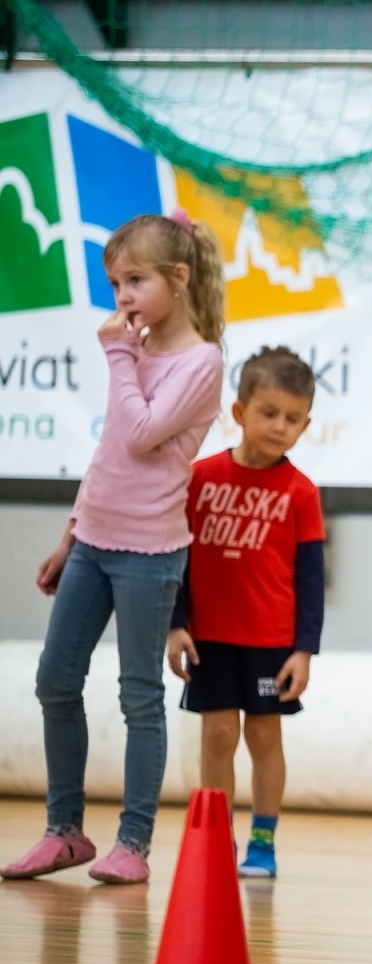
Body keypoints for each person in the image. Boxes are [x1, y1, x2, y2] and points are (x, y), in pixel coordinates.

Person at [1, 211, 225, 886]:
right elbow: (107, 458)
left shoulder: (200, 360)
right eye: (115, 283)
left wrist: (119, 356)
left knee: (138, 697)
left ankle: (134, 843)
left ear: (178, 279)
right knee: (54, 680)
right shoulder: (137, 352)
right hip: (94, 541)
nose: (122, 296)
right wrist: (70, 536)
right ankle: (64, 831)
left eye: (134, 281)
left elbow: (140, 435)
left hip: (149, 553)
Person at [166, 347, 325, 879]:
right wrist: (175, 625)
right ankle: (217, 841)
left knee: (263, 735)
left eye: (293, 418)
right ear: (239, 413)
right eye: (269, 413)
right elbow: (176, 559)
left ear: (306, 424)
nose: (280, 427)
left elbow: (309, 578)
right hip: (209, 637)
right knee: (216, 736)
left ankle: (262, 841)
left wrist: (303, 650)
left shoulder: (301, 493)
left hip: (270, 641)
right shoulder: (198, 478)